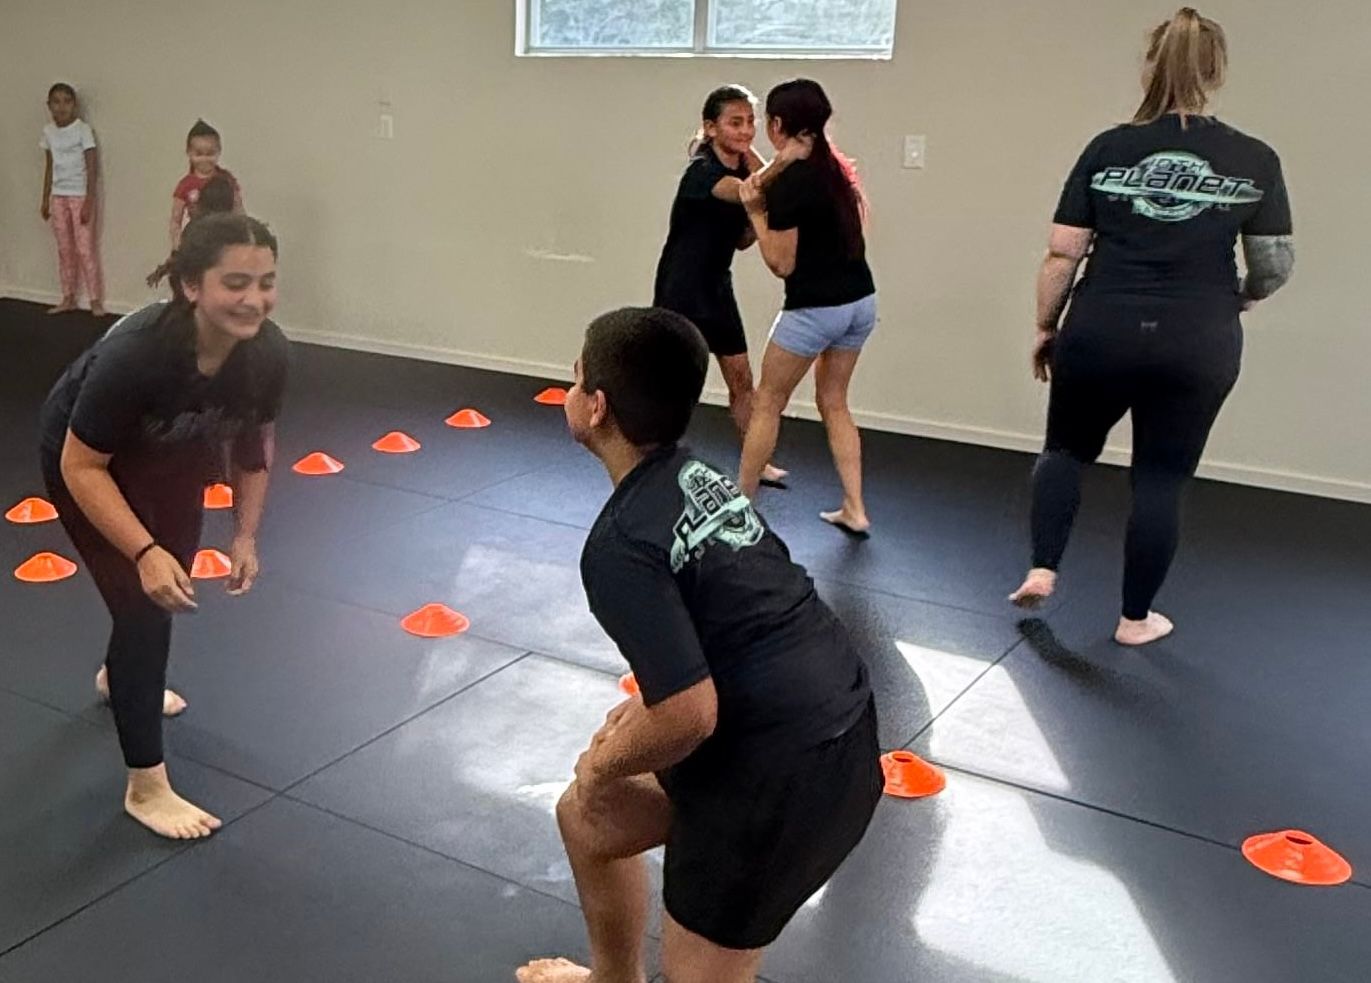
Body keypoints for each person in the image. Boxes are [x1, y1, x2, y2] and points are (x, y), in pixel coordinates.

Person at [518, 307, 881, 983]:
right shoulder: (699, 477)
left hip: (784, 782)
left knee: (690, 968)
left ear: (596, 407)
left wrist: (606, 764)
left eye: (575, 380)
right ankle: (611, 979)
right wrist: (632, 737)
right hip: (839, 732)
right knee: (585, 819)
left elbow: (688, 713)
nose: (570, 392)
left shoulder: (619, 546)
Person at [1009, 7, 1294, 646]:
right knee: (1161, 477)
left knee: (1064, 451)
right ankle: (1135, 620)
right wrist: (1239, 296)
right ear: (1216, 70)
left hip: (1101, 326)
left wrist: (1044, 325)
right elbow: (1274, 265)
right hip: (1199, 337)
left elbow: (1063, 253)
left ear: (1149, 65)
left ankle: (1042, 566)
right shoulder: (1254, 157)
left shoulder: (1108, 148)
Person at [40, 213, 288, 839]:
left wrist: (246, 535)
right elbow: (82, 464)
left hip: (174, 457)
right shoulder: (137, 355)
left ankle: (118, 679)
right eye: (236, 282)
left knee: (163, 593)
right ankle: (145, 787)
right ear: (190, 286)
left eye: (266, 282)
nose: (254, 299)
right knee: (143, 603)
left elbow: (254, 448)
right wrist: (143, 550)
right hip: (88, 461)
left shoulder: (267, 351)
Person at [736, 79, 878, 536]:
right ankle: (855, 508)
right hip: (860, 303)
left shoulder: (793, 182)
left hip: (814, 310)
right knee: (834, 402)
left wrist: (756, 212)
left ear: (777, 125)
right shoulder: (833, 169)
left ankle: (739, 507)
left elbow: (780, 262)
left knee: (767, 402)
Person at [652, 85, 809, 487]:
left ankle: (757, 461)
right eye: (734, 123)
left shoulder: (743, 166)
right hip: (682, 289)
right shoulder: (700, 172)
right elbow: (746, 191)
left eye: (750, 122)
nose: (745, 130)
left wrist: (762, 208)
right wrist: (782, 160)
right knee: (675, 379)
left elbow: (742, 235)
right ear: (710, 128)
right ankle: (656, 456)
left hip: (717, 288)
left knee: (741, 379)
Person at [39, 82, 105, 317]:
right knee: (65, 249)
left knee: (85, 248)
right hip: (58, 195)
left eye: (67, 101)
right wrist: (45, 197)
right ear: (49, 106)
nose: (61, 107)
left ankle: (95, 299)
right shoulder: (48, 132)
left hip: (79, 195)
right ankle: (68, 297)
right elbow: (50, 165)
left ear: (74, 105)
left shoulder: (82, 130)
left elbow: (91, 165)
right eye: (56, 102)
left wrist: (89, 199)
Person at [147, 173, 238, 295]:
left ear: (202, 200)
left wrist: (164, 269)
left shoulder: (193, 227)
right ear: (230, 205)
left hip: (191, 287)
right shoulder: (233, 232)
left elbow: (180, 256)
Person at [169, 119, 245, 249]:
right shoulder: (185, 185)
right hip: (198, 240)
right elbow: (176, 220)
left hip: (226, 238)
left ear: (219, 151)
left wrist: (244, 236)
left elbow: (238, 209)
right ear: (189, 153)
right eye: (199, 154)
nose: (204, 159)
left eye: (210, 154)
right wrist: (177, 245)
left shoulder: (227, 179)